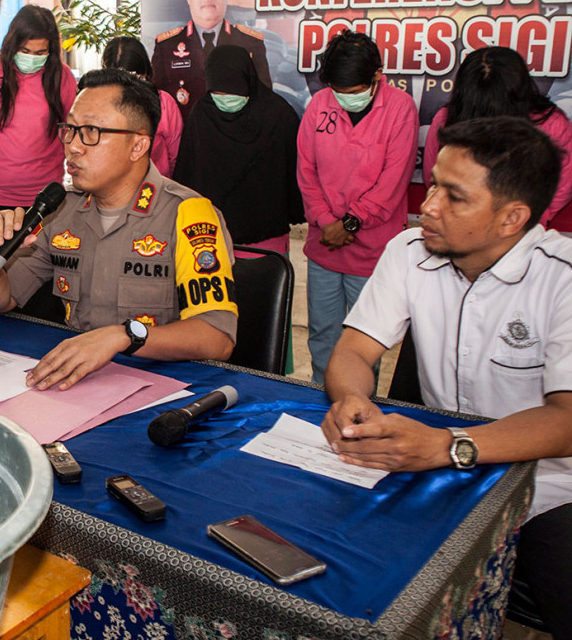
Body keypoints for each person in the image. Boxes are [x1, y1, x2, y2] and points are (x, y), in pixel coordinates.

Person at [321, 116, 572, 640]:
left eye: (453, 196)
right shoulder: (408, 252)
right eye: (432, 182)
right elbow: (354, 349)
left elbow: (566, 421)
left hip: (547, 487)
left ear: (511, 218)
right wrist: (350, 401)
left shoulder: (562, 278)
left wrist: (449, 447)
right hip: (435, 467)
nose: (428, 204)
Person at [0, 68, 237, 391]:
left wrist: (123, 335)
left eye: (91, 132)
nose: (73, 146)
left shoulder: (189, 214)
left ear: (138, 146)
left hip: (160, 387)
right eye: (70, 130)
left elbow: (217, 337)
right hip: (77, 382)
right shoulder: (62, 211)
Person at [297, 30, 417, 384]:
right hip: (325, 247)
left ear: (377, 75)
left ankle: (358, 412)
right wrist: (324, 220)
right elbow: (307, 172)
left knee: (365, 345)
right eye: (338, 91)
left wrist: (348, 224)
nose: (343, 99)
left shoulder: (399, 109)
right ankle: (318, 410)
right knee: (322, 338)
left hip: (371, 253)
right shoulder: (319, 105)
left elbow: (392, 183)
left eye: (352, 92)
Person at [422, 46, 572, 231]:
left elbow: (559, 188)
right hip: (458, 226)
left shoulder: (551, 125)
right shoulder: (445, 119)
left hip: (521, 230)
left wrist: (528, 221)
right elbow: (433, 175)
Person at [174, 45, 302, 256]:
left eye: (232, 90)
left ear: (247, 80)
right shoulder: (202, 114)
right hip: (210, 238)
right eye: (218, 91)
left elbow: (294, 172)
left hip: (266, 239)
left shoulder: (278, 115)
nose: (225, 97)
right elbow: (188, 172)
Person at [0, 4, 77, 209]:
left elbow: (69, 129)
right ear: (13, 44)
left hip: (44, 194)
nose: (31, 58)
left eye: (40, 52)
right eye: (25, 51)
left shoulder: (62, 77)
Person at [152, 0, 271, 120]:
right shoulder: (166, 46)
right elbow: (158, 105)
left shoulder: (250, 43)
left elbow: (265, 101)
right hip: (186, 140)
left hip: (237, 139)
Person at [101, 36, 182, 176]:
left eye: (136, 78)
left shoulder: (164, 103)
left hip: (157, 189)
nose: (129, 87)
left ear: (146, 72)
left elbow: (176, 158)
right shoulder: (98, 105)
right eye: (120, 80)